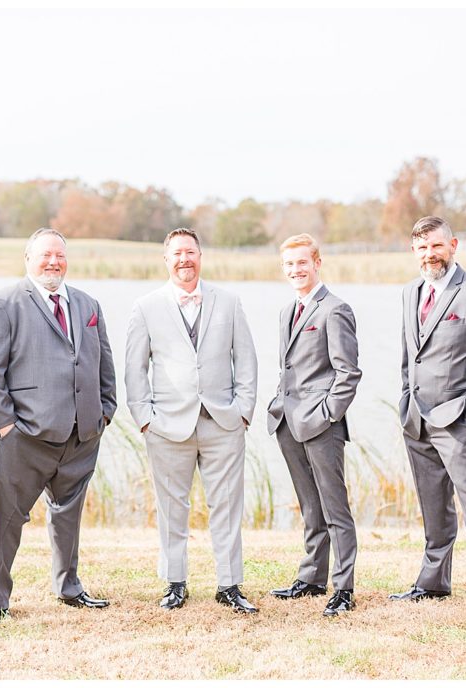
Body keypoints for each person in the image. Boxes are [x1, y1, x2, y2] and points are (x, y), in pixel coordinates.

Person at [0, 228, 116, 623]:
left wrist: (105, 411)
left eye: (60, 256)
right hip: (26, 435)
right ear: (28, 258)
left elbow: (103, 360)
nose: (53, 262)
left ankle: (69, 587)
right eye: (45, 255)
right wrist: (5, 425)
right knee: (6, 520)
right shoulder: (3, 303)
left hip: (82, 433)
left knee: (68, 516)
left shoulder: (88, 304)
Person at [389, 216, 466, 636]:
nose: (430, 254)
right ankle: (433, 583)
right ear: (413, 251)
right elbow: (411, 356)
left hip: (461, 423)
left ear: (453, 245)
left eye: (437, 246)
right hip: (417, 420)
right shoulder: (410, 292)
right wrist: (406, 401)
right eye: (422, 247)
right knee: (434, 510)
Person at [124, 228, 258, 613]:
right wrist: (145, 419)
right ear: (166, 260)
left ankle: (229, 585)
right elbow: (135, 369)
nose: (185, 259)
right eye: (177, 253)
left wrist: (243, 411)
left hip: (223, 422)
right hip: (167, 425)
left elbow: (246, 360)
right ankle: (175, 583)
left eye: (191, 252)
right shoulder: (146, 307)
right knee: (171, 508)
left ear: (201, 256)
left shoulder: (229, 302)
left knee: (228, 505)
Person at [265, 234, 362, 617]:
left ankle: (344, 587)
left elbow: (348, 373)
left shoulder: (334, 309)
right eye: (288, 265)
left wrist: (326, 416)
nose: (295, 270)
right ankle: (311, 577)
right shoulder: (288, 310)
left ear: (317, 262)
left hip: (321, 426)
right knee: (310, 506)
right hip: (287, 422)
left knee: (335, 508)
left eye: (302, 262)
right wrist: (278, 405)